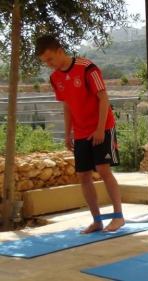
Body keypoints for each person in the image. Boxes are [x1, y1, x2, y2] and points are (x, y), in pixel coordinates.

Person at [35, 35, 125, 234]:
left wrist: (101, 128)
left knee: (103, 170)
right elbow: (67, 106)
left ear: (60, 50)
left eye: (50, 59)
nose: (49, 64)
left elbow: (103, 98)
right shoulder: (55, 78)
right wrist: (68, 134)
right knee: (83, 175)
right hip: (81, 131)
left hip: (102, 126)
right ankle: (97, 220)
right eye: (45, 62)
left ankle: (118, 216)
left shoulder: (87, 68)